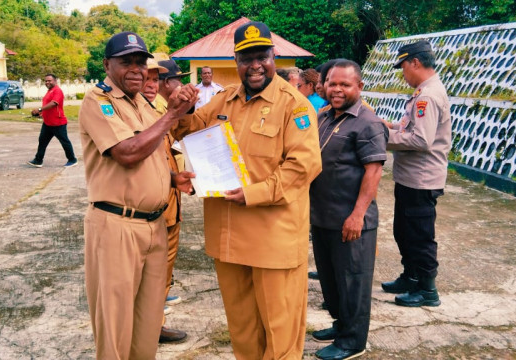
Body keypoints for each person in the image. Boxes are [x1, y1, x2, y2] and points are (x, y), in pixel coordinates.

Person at [172, 21, 322, 359]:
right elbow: (189, 130)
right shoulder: (226, 99)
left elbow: (303, 167)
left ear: (274, 57)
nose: (254, 65)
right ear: (236, 61)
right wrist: (180, 107)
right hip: (229, 238)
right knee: (242, 328)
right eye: (245, 58)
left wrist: (253, 194)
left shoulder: (293, 104)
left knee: (279, 329)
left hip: (273, 239)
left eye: (261, 56)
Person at [78, 31, 197, 359]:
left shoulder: (142, 103)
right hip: (117, 225)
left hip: (154, 226)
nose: (135, 69)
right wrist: (171, 114)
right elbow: (128, 153)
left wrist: (173, 178)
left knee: (146, 325)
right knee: (115, 328)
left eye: (140, 62)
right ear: (107, 64)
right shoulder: (97, 101)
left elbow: (154, 151)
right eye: (125, 61)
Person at [309, 59, 388, 359]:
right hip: (324, 217)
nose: (337, 89)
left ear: (359, 87)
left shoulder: (367, 122)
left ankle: (353, 341)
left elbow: (373, 172)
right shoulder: (325, 116)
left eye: (345, 84)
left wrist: (357, 215)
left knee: (352, 281)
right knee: (330, 280)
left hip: (351, 221)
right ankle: (341, 325)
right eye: (332, 83)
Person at [380, 40, 451, 307]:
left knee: (420, 236)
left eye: (404, 67)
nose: (403, 73)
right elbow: (413, 127)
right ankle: (410, 277)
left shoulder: (428, 96)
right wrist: (394, 125)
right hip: (410, 177)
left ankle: (427, 290)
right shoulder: (425, 92)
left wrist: (384, 135)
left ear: (416, 63)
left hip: (422, 179)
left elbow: (421, 140)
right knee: (403, 231)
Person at [140, 54, 189, 344]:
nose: (151, 84)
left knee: (164, 270)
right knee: (154, 272)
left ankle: (155, 322)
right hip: (156, 204)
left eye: (155, 78)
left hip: (172, 198)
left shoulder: (160, 107)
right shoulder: (147, 111)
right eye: (146, 78)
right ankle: (152, 326)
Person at [27, 74, 78, 168]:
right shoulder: (49, 91)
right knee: (42, 141)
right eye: (46, 81)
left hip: (58, 123)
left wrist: (39, 109)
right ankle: (38, 160)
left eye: (49, 80)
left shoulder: (57, 91)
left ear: (55, 81)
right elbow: (47, 106)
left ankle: (72, 159)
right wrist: (40, 114)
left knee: (64, 141)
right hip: (48, 123)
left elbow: (54, 103)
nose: (47, 82)